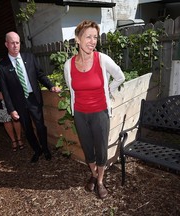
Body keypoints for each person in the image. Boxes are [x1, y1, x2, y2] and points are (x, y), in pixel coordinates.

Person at [64, 20, 125, 199]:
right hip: (80, 114)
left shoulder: (102, 59)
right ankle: (93, 173)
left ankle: (100, 181)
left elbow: (119, 76)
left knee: (101, 149)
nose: (92, 41)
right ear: (77, 39)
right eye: (88, 37)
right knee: (88, 148)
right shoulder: (69, 65)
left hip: (100, 113)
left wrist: (108, 90)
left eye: (95, 37)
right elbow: (72, 90)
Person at [0, 31, 61, 163]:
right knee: (27, 129)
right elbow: (5, 90)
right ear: (6, 44)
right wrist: (11, 109)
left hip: (33, 99)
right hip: (19, 103)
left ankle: (45, 149)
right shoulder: (2, 66)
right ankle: (37, 150)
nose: (15, 45)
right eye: (12, 43)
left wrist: (51, 86)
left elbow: (40, 75)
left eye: (17, 42)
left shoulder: (30, 57)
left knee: (40, 126)